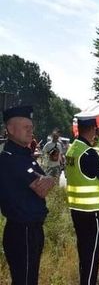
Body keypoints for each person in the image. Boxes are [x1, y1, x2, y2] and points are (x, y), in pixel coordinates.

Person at [0, 106, 56, 285]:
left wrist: (46, 180)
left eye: (31, 127)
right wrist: (45, 180)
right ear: (10, 129)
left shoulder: (25, 155)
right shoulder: (10, 157)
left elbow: (48, 181)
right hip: (21, 231)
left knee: (30, 279)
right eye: (26, 127)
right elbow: (42, 188)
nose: (31, 131)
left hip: (32, 229)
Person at [65, 115, 99, 285]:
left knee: (84, 252)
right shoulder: (89, 153)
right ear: (92, 130)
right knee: (92, 254)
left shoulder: (72, 149)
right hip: (91, 211)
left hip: (76, 210)